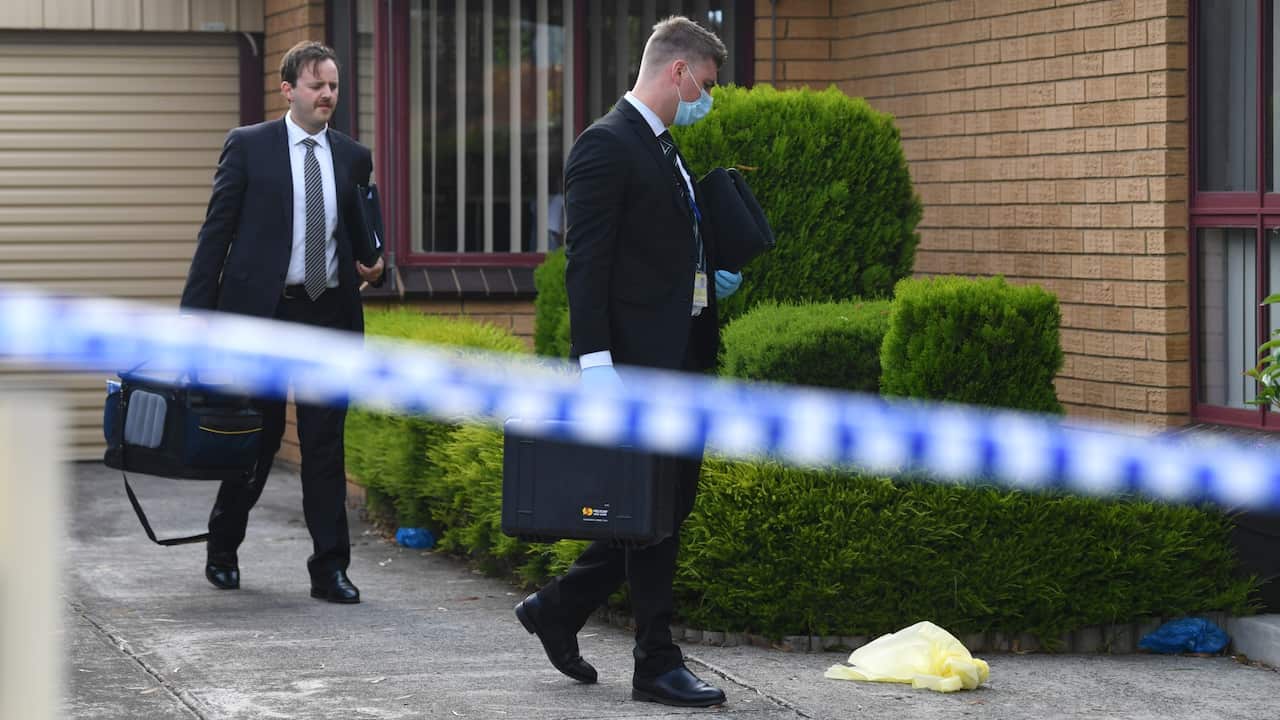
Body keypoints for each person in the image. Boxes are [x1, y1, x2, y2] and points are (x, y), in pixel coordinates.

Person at [513, 16, 742, 708]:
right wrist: (596, 363)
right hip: (639, 368)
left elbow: (661, 253)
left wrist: (709, 277)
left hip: (681, 359)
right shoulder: (607, 145)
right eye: (705, 84)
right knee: (655, 512)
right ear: (677, 70)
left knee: (665, 506)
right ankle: (656, 662)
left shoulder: (662, 146)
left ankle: (557, 608)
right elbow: (588, 263)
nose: (707, 98)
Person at [180, 40, 383, 604]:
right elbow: (215, 236)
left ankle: (329, 569)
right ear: (288, 88)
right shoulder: (248, 147)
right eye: (317, 85)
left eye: (334, 86)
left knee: (324, 446)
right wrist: (194, 320)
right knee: (257, 440)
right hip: (263, 320)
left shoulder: (352, 156)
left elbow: (366, 238)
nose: (327, 95)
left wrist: (377, 266)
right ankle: (222, 547)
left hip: (328, 316)